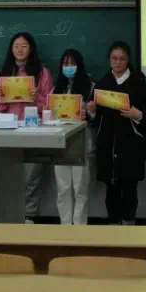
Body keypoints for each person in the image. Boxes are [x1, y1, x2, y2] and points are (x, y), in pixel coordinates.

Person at [87, 41, 146, 226]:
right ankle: (113, 226)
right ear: (109, 59)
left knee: (130, 187)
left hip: (130, 143)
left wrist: (137, 115)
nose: (117, 62)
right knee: (111, 187)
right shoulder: (102, 83)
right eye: (114, 58)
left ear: (128, 59)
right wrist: (92, 110)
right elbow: (94, 119)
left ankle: (129, 225)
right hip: (108, 144)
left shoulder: (138, 81)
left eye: (122, 59)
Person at [0, 32, 54, 221]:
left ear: (31, 48)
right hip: (9, 131)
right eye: (16, 46)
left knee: (31, 177)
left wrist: (36, 99)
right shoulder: (3, 74)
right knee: (9, 176)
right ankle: (9, 215)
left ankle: (29, 215)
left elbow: (51, 106)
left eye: (24, 46)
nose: (19, 50)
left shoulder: (42, 72)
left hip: (34, 130)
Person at [53, 48, 95, 225]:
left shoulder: (90, 87)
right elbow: (50, 115)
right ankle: (65, 226)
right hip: (61, 142)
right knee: (63, 188)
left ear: (80, 65)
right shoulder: (56, 88)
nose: (68, 67)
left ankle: (79, 227)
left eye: (72, 63)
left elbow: (96, 117)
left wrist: (89, 113)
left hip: (82, 142)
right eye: (65, 63)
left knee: (80, 188)